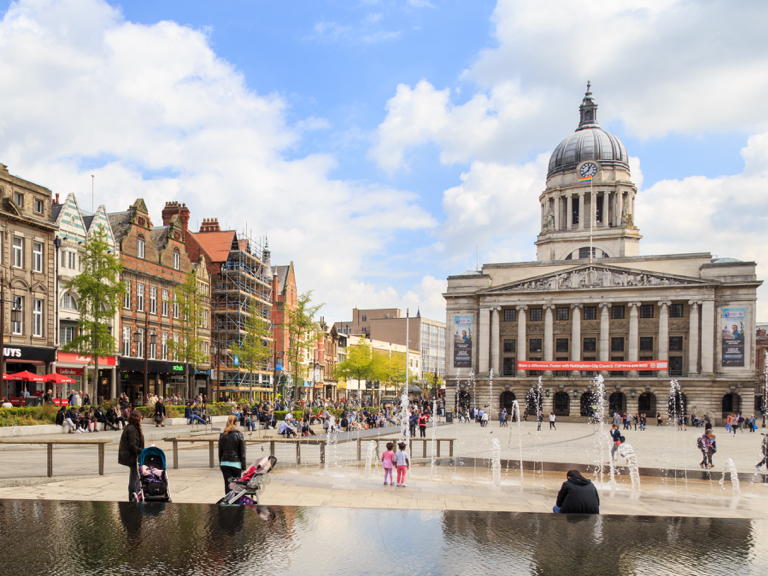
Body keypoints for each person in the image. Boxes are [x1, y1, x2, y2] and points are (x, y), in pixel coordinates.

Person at [118, 410, 145, 501]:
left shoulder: (131, 427)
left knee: (135, 476)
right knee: (135, 477)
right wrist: (142, 451)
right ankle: (133, 495)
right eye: (141, 417)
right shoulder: (132, 429)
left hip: (131, 456)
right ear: (137, 418)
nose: (142, 419)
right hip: (132, 457)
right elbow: (132, 445)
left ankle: (135, 494)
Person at [218, 415, 246, 495]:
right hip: (236, 463)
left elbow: (220, 451)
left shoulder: (222, 435)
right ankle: (236, 504)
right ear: (236, 423)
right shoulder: (239, 435)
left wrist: (221, 462)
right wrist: (243, 466)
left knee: (227, 484)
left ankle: (228, 503)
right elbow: (242, 453)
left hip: (224, 463)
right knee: (237, 485)